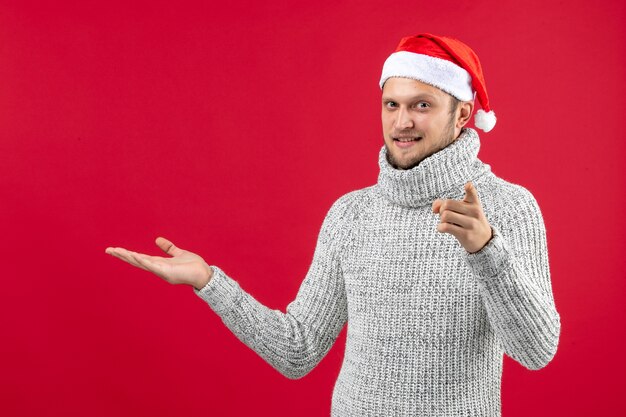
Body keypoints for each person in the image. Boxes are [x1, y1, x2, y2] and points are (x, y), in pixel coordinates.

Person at [106, 33, 560, 416]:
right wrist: (209, 282)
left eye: (422, 104)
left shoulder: (508, 208)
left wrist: (487, 251)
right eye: (391, 104)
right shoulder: (350, 214)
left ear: (461, 115)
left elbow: (536, 351)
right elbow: (297, 350)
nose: (402, 121)